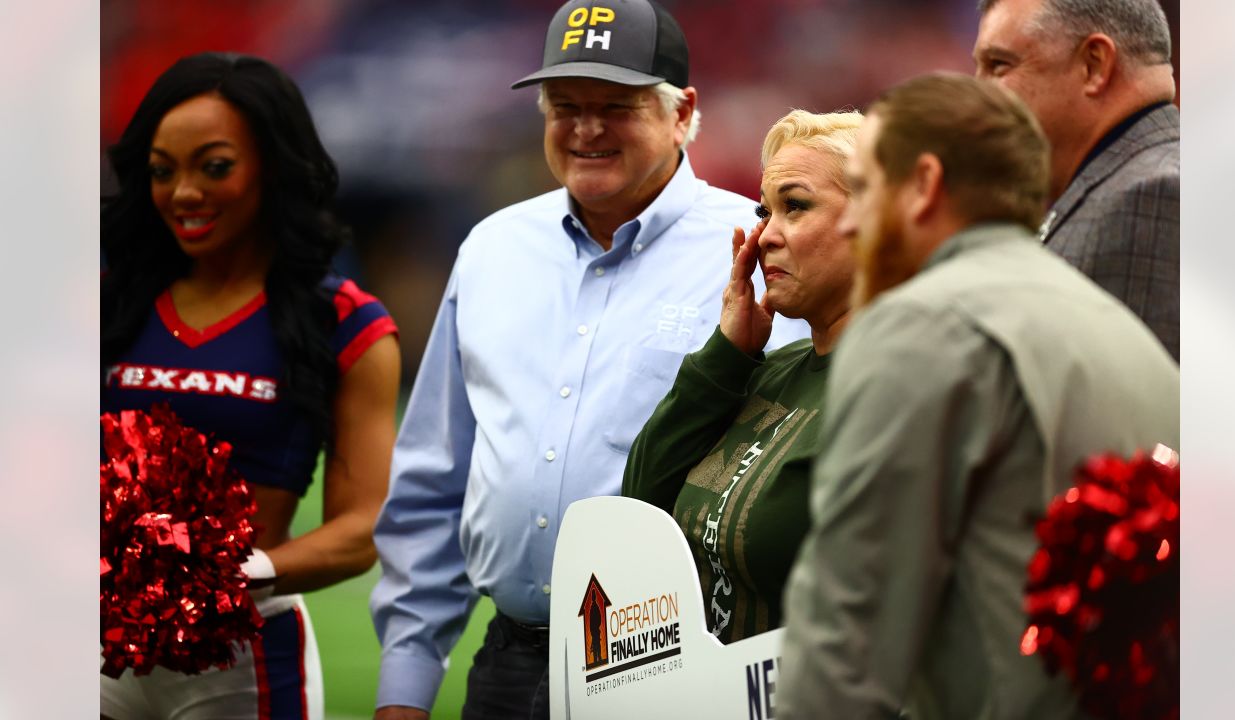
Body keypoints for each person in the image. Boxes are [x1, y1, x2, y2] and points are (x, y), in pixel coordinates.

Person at [368, 1, 805, 718]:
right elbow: (435, 480)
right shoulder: (491, 250)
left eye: (616, 105)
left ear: (682, 111)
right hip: (507, 666)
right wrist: (406, 685)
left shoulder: (755, 254)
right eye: (565, 105)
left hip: (675, 665)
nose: (586, 127)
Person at [776, 73, 1179, 719]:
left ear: (925, 185)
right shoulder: (1121, 329)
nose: (851, 221)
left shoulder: (919, 326)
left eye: (867, 190)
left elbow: (849, 626)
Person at [100, 52, 401, 720]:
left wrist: (236, 576)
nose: (183, 193)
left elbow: (362, 527)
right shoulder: (104, 306)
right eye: (160, 170)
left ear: (274, 165)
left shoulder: (346, 322)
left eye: (214, 166)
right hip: (90, 649)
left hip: (241, 656)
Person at [622, 109, 862, 644]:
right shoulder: (766, 370)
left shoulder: (908, 387)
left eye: (795, 207)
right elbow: (641, 504)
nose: (764, 237)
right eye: (765, 211)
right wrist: (726, 355)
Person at [974, 0, 1180, 360]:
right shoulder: (1121, 183)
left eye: (998, 65)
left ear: (1094, 65)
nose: (976, 94)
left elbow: (1127, 411)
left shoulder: (1152, 195)